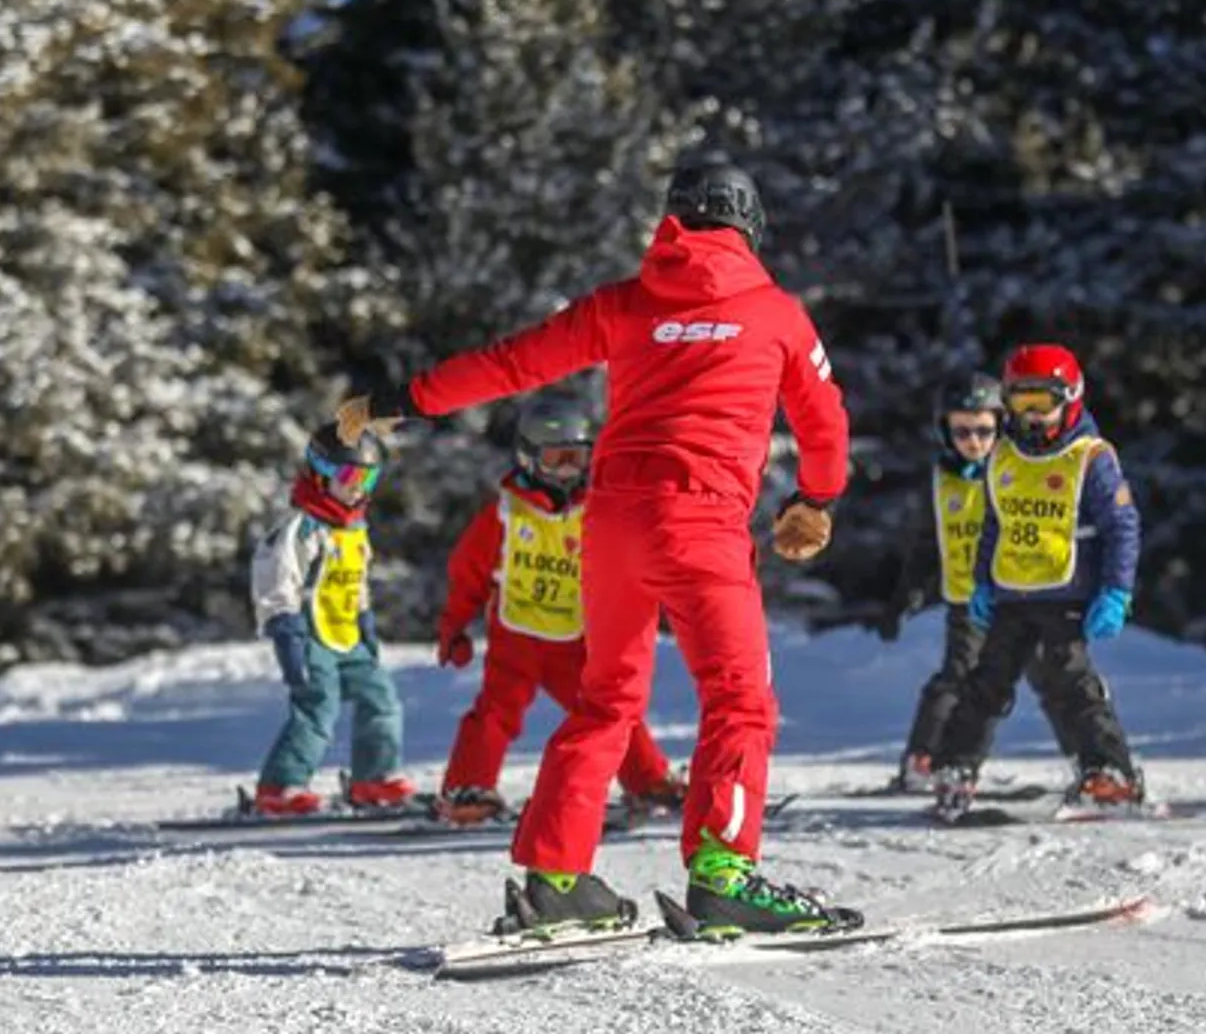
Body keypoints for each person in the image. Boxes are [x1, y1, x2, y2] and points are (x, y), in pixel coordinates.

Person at [336, 159, 860, 936]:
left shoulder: (626, 303)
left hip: (610, 525)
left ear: (675, 219)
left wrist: (402, 401)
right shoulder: (776, 312)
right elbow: (824, 421)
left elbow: (514, 361)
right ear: (750, 226)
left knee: (606, 697)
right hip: (702, 522)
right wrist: (816, 498)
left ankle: (558, 877)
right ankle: (724, 874)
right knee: (739, 696)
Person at [435, 395, 684, 825]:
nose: (569, 470)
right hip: (516, 638)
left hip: (574, 642)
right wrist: (454, 627)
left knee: (610, 709)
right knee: (493, 713)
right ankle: (467, 790)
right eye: (557, 460)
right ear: (529, 459)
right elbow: (468, 571)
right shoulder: (506, 513)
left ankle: (648, 781)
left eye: (577, 458)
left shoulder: (598, 510)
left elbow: (631, 561)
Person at [928, 344, 1146, 820]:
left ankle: (1109, 773)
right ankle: (954, 769)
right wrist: (982, 582)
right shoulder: (1003, 456)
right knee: (985, 684)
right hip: (1011, 593)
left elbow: (1122, 527)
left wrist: (1116, 591)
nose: (1030, 418)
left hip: (1065, 595)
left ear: (1069, 400)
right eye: (1019, 404)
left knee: (1072, 685)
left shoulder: (1090, 458)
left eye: (1040, 404)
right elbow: (993, 524)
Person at [879, 373, 1080, 791]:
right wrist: (907, 594)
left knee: (1055, 678)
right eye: (962, 431)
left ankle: (1091, 766)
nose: (974, 440)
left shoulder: (1016, 470)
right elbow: (925, 542)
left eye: (984, 430)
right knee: (958, 677)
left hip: (1020, 595)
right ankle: (925, 760)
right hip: (967, 600)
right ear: (945, 430)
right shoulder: (942, 481)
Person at [249, 423, 414, 816]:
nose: (359, 487)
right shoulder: (300, 527)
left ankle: (373, 778)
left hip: (347, 634)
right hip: (309, 634)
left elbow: (355, 582)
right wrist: (285, 628)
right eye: (350, 476)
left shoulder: (355, 529)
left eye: (368, 477)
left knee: (382, 700)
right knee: (317, 706)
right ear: (320, 473)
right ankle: (280, 785)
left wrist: (366, 623)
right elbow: (276, 577)